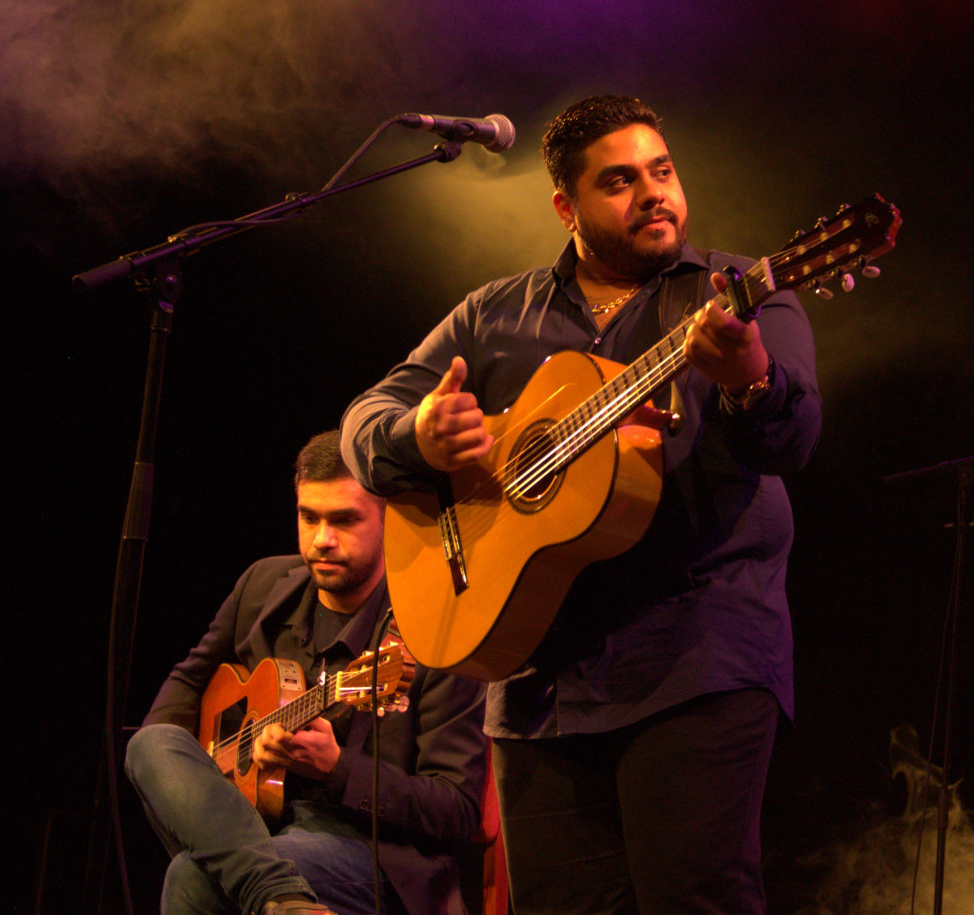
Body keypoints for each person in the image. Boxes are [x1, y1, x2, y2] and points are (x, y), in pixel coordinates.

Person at [342, 94, 822, 915]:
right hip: (537, 682)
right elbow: (362, 425)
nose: (654, 194)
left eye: (662, 172)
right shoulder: (495, 315)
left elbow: (793, 441)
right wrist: (419, 435)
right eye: (620, 181)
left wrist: (750, 377)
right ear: (566, 206)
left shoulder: (739, 293)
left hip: (696, 656)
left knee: (695, 902)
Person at [126, 431, 488, 915]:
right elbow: (188, 681)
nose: (322, 539)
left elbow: (457, 810)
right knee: (150, 744)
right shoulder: (263, 585)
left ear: (388, 519)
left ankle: (273, 890)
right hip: (252, 827)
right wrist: (210, 774)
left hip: (370, 852)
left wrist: (337, 769)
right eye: (308, 517)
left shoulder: (435, 626)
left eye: (344, 520)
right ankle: (279, 894)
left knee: (193, 877)